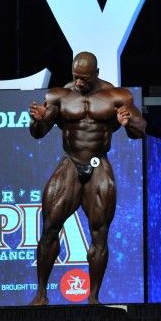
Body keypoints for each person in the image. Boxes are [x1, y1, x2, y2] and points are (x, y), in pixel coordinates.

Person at [28, 51, 146, 305]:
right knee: (49, 228)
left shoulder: (117, 96)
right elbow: (39, 132)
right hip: (70, 163)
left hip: (98, 164)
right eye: (76, 77)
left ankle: (93, 297)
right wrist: (36, 121)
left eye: (84, 78)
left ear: (96, 73)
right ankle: (41, 294)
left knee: (99, 233)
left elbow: (140, 131)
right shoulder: (60, 96)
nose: (79, 82)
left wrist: (128, 124)